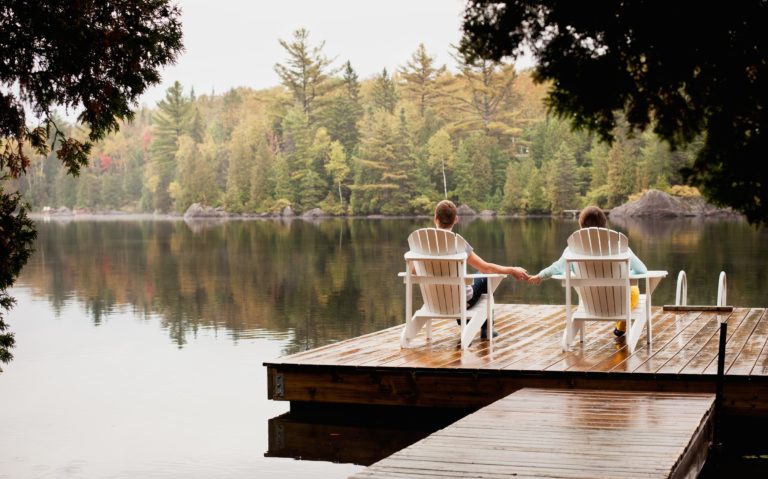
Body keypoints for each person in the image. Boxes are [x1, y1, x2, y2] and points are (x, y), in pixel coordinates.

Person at [527, 206, 647, 337]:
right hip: (620, 303)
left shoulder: (572, 249)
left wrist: (540, 275)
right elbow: (642, 270)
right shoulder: (620, 246)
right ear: (604, 223)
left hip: (590, 304)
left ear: (581, 225)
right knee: (634, 290)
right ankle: (622, 322)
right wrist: (626, 275)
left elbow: (556, 268)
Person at [431, 200, 529, 339]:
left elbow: (414, 273)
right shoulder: (459, 243)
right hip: (461, 301)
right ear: (456, 219)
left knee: (473, 279)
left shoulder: (421, 244)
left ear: (435, 218)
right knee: (482, 275)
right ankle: (487, 329)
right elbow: (486, 268)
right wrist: (512, 269)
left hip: (434, 300)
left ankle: (468, 320)